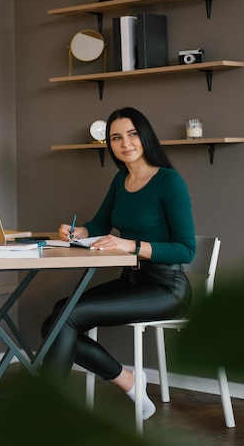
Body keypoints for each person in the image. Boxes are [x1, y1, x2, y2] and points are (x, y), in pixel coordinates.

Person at [41, 107, 196, 419]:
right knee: (56, 318)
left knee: (68, 319)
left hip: (167, 288)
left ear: (145, 136)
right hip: (132, 282)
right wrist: (77, 232)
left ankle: (46, 417)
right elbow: (99, 224)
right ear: (109, 145)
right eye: (116, 137)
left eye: (132, 134)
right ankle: (128, 380)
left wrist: (130, 245)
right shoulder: (121, 179)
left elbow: (185, 250)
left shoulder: (169, 182)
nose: (125, 143)